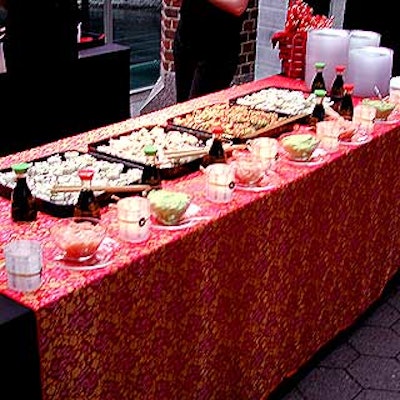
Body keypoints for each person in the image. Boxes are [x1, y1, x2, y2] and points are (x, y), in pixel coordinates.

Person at [173, 0, 250, 103]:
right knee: (181, 110)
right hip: (186, 41)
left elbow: (238, 6)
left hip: (217, 52)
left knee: (199, 111)